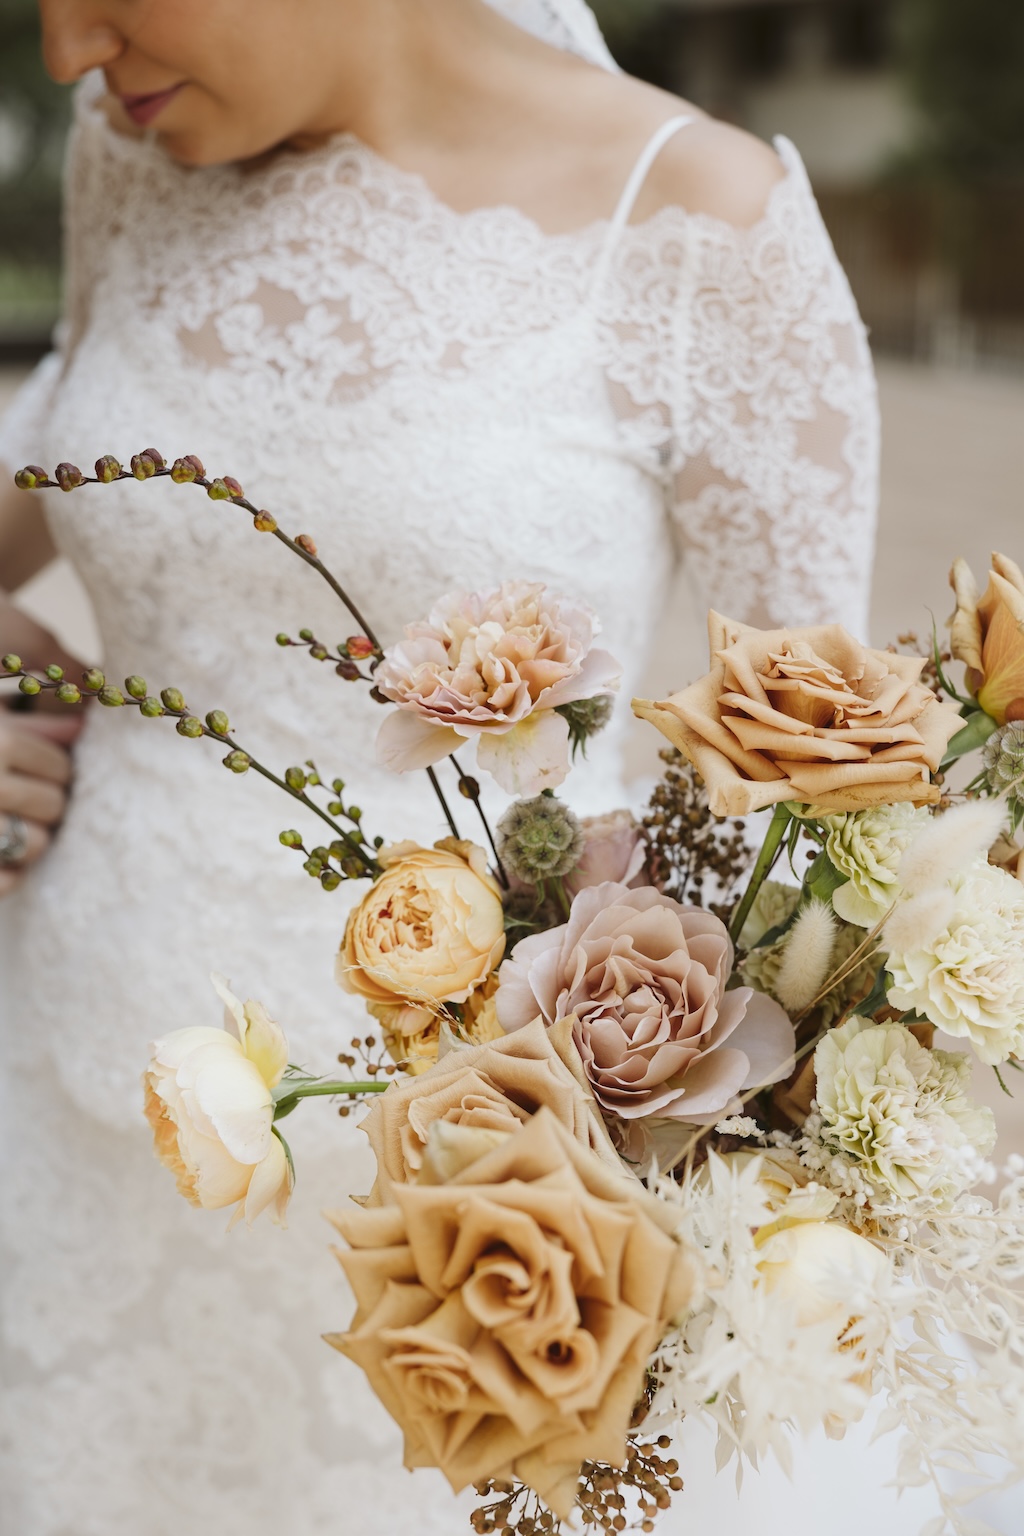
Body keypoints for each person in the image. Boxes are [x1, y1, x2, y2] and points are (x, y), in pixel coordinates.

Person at [0, 1, 934, 1532]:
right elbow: (55, 468)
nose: (61, 49)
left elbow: (821, 819)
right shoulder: (137, 143)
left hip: (476, 1221)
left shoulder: (701, 222)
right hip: (68, 1094)